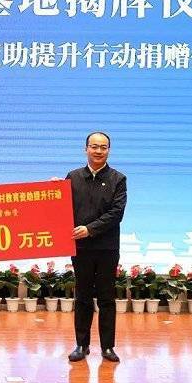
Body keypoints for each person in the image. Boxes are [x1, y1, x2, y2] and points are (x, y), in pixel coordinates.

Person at [67, 131, 127, 363]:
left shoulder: (118, 179)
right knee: (82, 296)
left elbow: (116, 213)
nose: (98, 151)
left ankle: (108, 347)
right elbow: (60, 206)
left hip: (106, 248)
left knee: (106, 298)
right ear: (86, 149)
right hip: (80, 247)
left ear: (108, 150)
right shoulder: (73, 177)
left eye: (103, 147)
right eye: (94, 146)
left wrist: (90, 229)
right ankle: (81, 345)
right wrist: (54, 190)